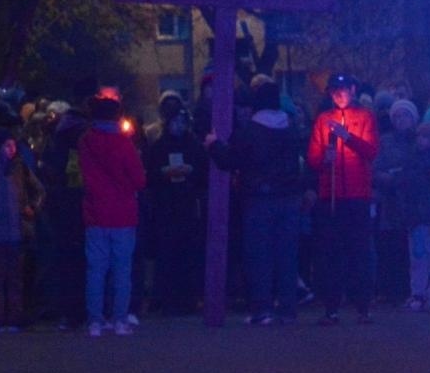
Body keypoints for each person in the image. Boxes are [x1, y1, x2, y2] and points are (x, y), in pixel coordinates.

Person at [205, 78, 305, 325]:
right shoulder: (291, 129)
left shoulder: (250, 131)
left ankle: (262, 309)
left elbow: (230, 160)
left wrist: (213, 145)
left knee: (259, 255)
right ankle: (288, 308)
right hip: (289, 198)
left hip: (259, 199)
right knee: (287, 256)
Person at [305, 72, 380, 325]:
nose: (339, 95)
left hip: (357, 195)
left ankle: (363, 306)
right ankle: (332, 307)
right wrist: (323, 159)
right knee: (331, 254)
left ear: (353, 90)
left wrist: (348, 137)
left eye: (343, 90)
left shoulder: (365, 117)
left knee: (360, 252)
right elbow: (313, 158)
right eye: (334, 91)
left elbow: (371, 151)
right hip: (331, 196)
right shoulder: (323, 119)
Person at [77, 90, 147, 337]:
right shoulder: (124, 143)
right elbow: (139, 179)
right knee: (121, 269)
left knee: (96, 269)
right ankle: (119, 319)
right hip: (123, 213)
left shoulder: (85, 142)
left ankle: (95, 320)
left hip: (95, 212)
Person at [142, 106, 207, 316]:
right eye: (175, 122)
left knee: (187, 253)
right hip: (167, 204)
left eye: (182, 122)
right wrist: (164, 173)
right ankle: (167, 299)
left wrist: (191, 173)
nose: (178, 126)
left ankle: (187, 298)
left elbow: (202, 171)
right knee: (167, 253)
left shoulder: (193, 144)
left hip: (187, 204)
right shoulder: (160, 146)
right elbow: (150, 174)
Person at [0, 126, 45, 332]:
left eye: (13, 145)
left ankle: (15, 316)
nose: (11, 149)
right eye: (7, 145)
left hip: (17, 230)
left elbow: (38, 190)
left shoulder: (20, 168)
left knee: (15, 276)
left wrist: (32, 208)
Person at [35, 100, 88, 329]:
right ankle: (83, 309)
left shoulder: (57, 141)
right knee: (83, 260)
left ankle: (67, 311)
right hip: (82, 204)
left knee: (64, 260)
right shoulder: (84, 138)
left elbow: (51, 171)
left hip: (61, 206)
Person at [394, 118, 430, 311]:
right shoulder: (415, 159)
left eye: (424, 136)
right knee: (419, 258)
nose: (420, 139)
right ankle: (419, 293)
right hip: (417, 217)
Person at [372, 98, 419, 303]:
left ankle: (411, 288)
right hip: (390, 201)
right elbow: (375, 168)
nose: (401, 120)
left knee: (412, 248)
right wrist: (386, 177)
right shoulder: (385, 141)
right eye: (397, 116)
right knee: (390, 246)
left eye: (405, 115)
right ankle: (390, 290)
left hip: (413, 201)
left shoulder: (419, 140)